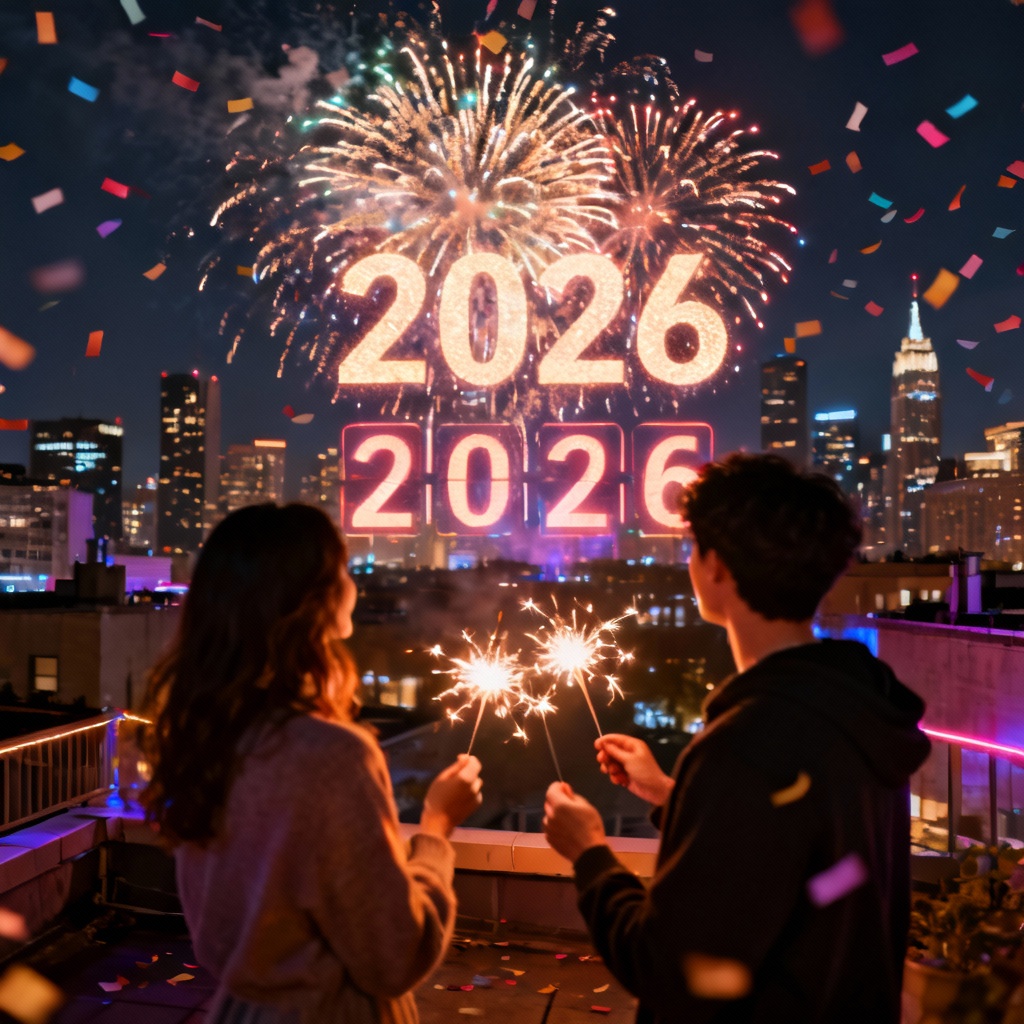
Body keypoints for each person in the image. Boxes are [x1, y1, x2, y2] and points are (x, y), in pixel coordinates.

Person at [542, 453, 931, 1023]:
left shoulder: (746, 743)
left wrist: (590, 854)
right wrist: (675, 795)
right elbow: (810, 866)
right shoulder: (857, 714)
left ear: (717, 566)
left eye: (694, 547)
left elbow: (671, 969)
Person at [140, 503, 482, 1024]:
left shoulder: (201, 738)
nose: (354, 584)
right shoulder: (329, 755)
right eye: (343, 570)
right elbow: (393, 955)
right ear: (311, 599)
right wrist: (436, 829)